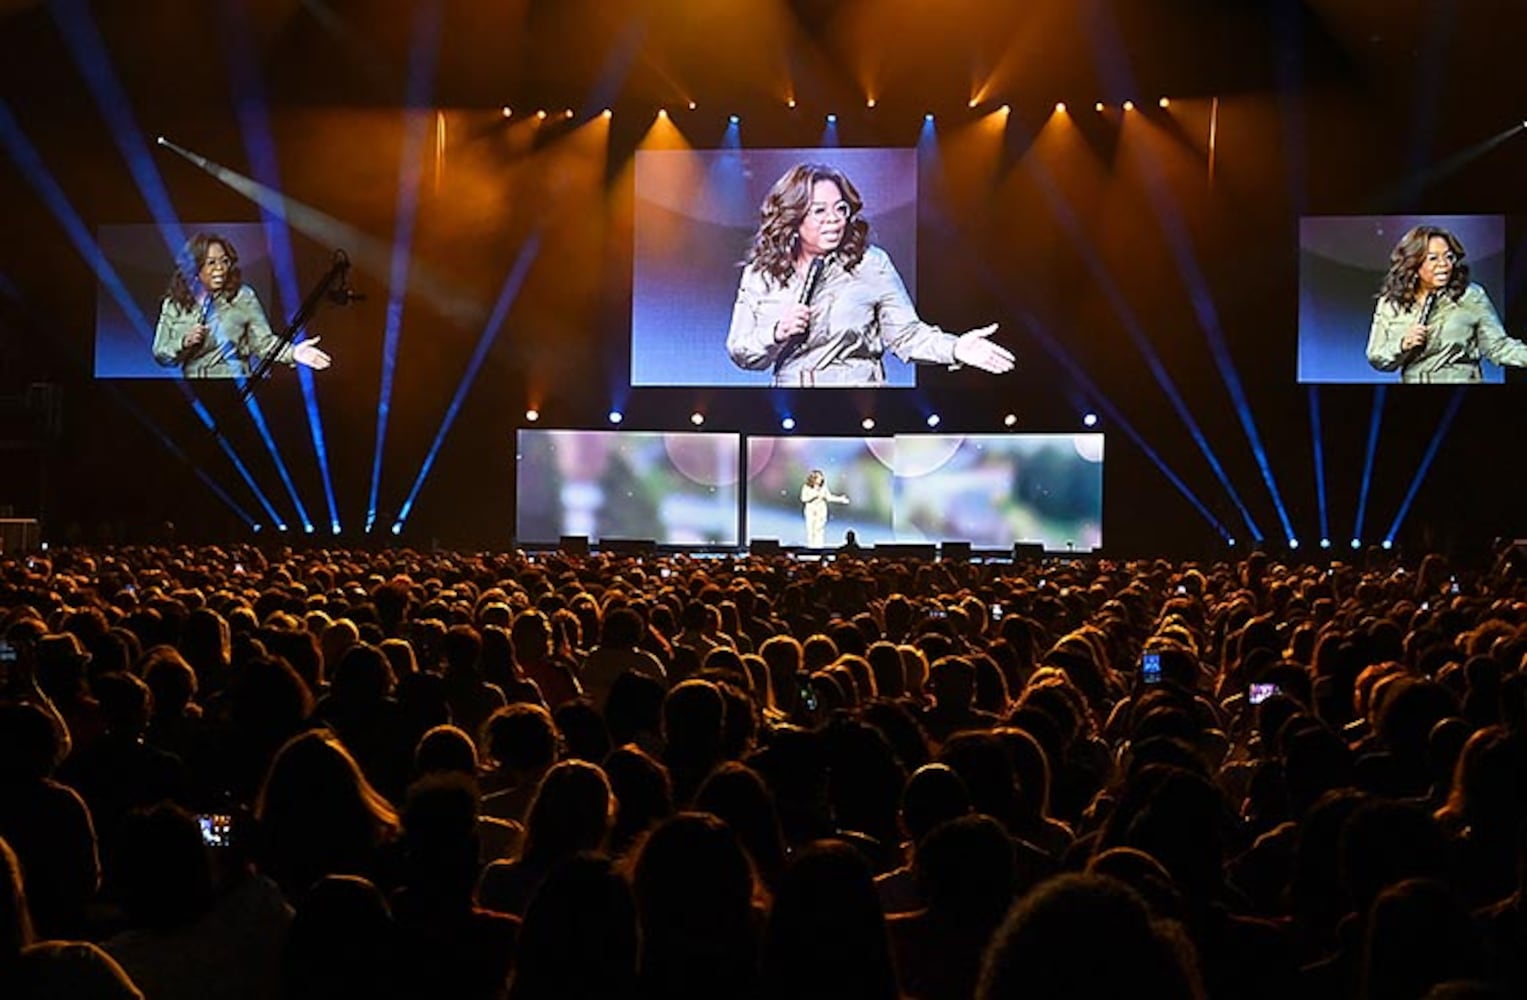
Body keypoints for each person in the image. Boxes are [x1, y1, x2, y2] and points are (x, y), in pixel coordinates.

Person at [726, 162, 1015, 387]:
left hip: (861, 407)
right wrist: (776, 332)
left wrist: (956, 348)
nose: (835, 220)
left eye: (841, 209)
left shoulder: (871, 264)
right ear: (793, 217)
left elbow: (906, 335)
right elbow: (741, 351)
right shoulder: (761, 271)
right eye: (819, 211)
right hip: (790, 410)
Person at [152, 232, 331, 379]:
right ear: (194, 268)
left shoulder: (243, 296)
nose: (220, 268)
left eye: (225, 261)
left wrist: (294, 353)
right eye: (211, 263)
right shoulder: (174, 303)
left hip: (238, 387)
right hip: (197, 390)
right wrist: (183, 342)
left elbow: (263, 343)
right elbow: (161, 353)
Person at [1365, 225, 1527, 383]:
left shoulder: (1471, 295)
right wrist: (1402, 344)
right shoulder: (1391, 302)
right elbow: (1377, 357)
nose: (1444, 264)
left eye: (1449, 257)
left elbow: (1499, 348)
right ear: (1413, 263)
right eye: (1433, 258)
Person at [801, 470, 848, 549]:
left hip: (821, 510)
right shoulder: (806, 487)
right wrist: (814, 495)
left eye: (821, 477)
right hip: (811, 510)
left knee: (819, 531)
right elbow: (803, 499)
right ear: (814, 478)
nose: (821, 479)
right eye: (819, 477)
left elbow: (829, 497)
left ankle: (818, 549)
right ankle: (811, 549)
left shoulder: (823, 487)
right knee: (811, 530)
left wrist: (841, 499)